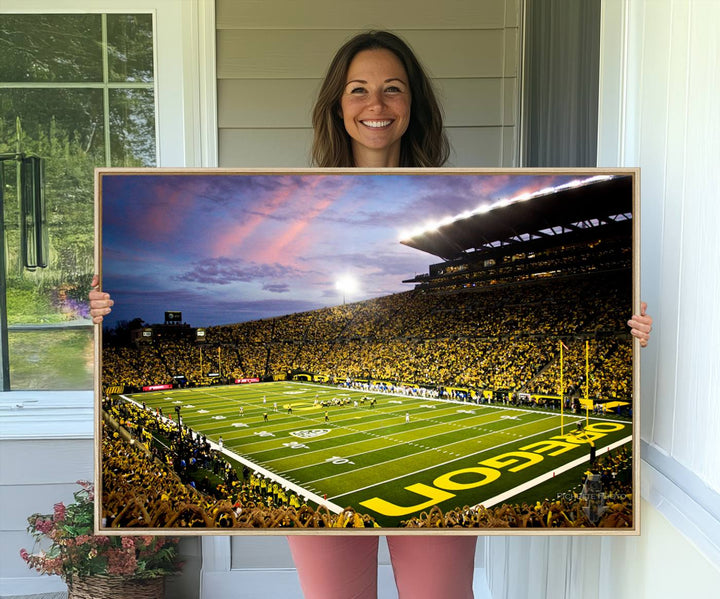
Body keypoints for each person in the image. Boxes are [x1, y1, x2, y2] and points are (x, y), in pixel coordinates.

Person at [89, 29, 653, 599]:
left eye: (393, 89)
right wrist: (100, 310)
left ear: (413, 105)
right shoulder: (311, 194)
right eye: (358, 89)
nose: (375, 105)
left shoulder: (447, 189)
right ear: (337, 105)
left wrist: (627, 327)